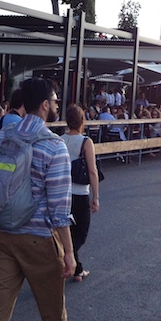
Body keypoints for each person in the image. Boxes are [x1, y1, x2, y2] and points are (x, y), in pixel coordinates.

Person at [0, 78, 88, 321]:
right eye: (54, 101)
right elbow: (58, 208)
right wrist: (69, 252)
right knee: (52, 307)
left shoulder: (2, 137)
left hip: (3, 234)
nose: (56, 106)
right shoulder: (52, 146)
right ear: (45, 104)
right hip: (39, 237)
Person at [60, 104, 100, 282]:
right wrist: (96, 196)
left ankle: (77, 268)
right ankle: (66, 261)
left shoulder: (59, 139)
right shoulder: (86, 142)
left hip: (62, 192)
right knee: (81, 233)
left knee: (66, 231)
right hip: (80, 193)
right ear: (83, 120)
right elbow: (92, 171)